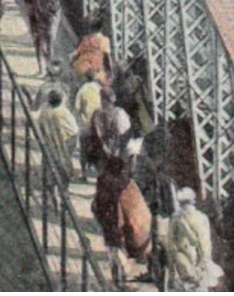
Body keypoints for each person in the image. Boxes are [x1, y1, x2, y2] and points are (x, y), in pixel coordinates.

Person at [93, 141, 153, 287]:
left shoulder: (105, 183)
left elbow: (97, 205)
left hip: (111, 225)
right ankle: (123, 281)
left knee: (115, 254)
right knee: (119, 255)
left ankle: (120, 281)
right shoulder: (128, 185)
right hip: (122, 226)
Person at [164, 187, 216, 292]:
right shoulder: (203, 217)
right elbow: (207, 243)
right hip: (201, 262)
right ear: (193, 202)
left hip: (183, 261)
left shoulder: (175, 218)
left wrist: (171, 271)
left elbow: (170, 244)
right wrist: (205, 261)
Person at [33, 87, 79, 188]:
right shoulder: (62, 112)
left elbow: (36, 117)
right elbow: (74, 130)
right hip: (65, 141)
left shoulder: (45, 109)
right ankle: (62, 187)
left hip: (51, 141)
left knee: (50, 163)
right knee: (63, 163)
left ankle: (49, 186)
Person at [82, 87, 131, 174]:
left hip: (101, 149)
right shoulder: (120, 112)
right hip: (115, 148)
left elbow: (95, 132)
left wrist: (104, 146)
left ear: (103, 99)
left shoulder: (97, 113)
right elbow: (124, 132)